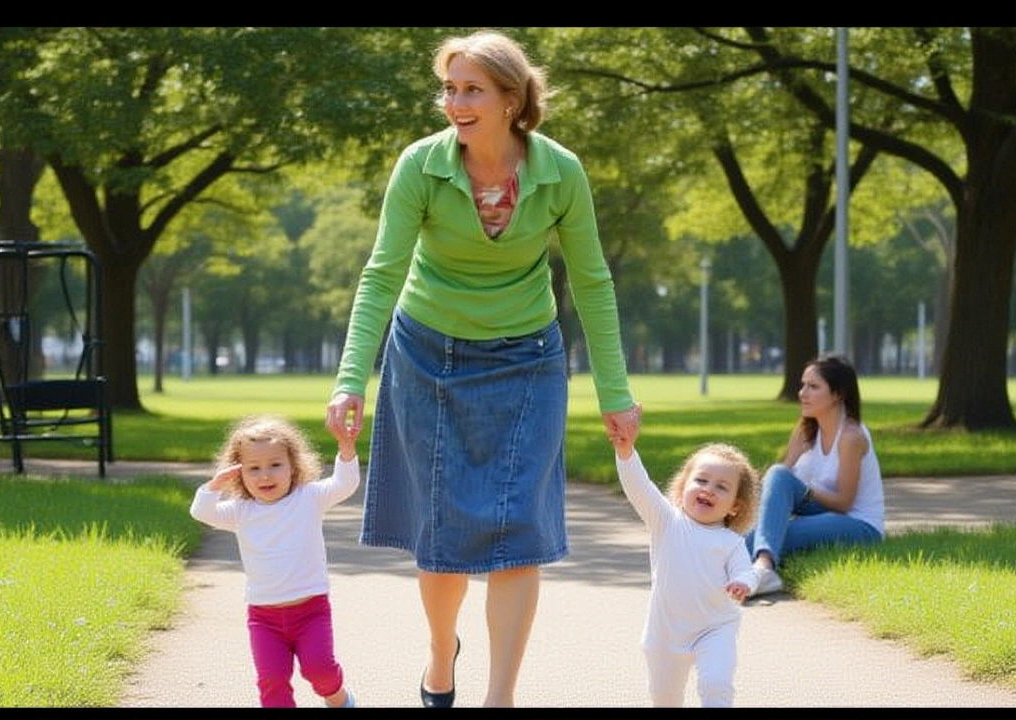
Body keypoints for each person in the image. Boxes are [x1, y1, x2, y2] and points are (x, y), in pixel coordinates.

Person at [324, 29, 641, 708]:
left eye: (471, 89)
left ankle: (500, 697)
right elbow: (381, 275)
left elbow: (592, 281)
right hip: (427, 353)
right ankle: (442, 654)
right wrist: (351, 377)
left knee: (518, 525)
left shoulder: (560, 172)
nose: (455, 102)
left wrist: (616, 392)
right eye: (449, 88)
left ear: (511, 98)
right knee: (439, 530)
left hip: (527, 358)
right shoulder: (421, 166)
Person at [189, 413, 360, 708]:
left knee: (319, 671)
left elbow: (344, 484)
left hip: (311, 611)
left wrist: (346, 450)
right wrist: (214, 487)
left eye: (275, 465)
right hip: (264, 618)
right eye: (253, 468)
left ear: (293, 467)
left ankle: (339, 699)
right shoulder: (241, 510)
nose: (265, 476)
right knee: (272, 681)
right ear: (238, 473)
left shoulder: (309, 497)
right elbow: (202, 513)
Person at [613, 435, 759, 707]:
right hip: (665, 634)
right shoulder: (667, 522)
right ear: (682, 489)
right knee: (664, 699)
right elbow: (639, 487)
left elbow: (746, 570)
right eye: (701, 481)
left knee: (716, 684)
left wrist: (742, 582)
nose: (709, 489)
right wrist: (625, 452)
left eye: (722, 487)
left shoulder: (732, 543)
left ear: (735, 507)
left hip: (715, 628)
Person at [744, 353, 885, 598]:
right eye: (803, 385)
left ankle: (764, 566)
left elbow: (844, 503)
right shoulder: (806, 429)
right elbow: (778, 485)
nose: (802, 393)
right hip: (822, 511)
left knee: (761, 539)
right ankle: (760, 564)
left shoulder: (851, 437)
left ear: (838, 393)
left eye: (813, 386)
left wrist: (804, 491)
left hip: (859, 526)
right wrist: (794, 457)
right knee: (776, 476)